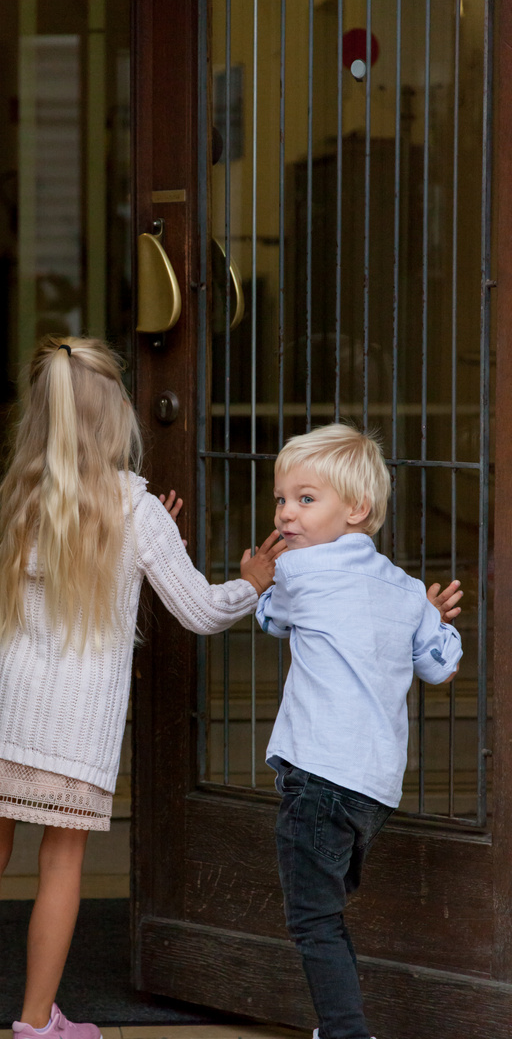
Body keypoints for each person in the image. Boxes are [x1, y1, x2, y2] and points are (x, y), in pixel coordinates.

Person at [0, 335, 286, 1039]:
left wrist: (153, 542)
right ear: (115, 416)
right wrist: (250, 582)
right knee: (61, 861)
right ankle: (37, 1023)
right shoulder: (136, 509)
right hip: (76, 725)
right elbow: (200, 610)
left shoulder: (20, 494)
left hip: (7, 709)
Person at [255, 423, 463, 1039]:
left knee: (314, 921)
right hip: (374, 791)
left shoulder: (295, 576)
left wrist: (258, 578)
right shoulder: (402, 590)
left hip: (318, 778)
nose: (286, 514)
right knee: (330, 897)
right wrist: (433, 617)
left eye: (305, 498)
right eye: (281, 499)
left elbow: (269, 618)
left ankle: (346, 1033)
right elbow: (440, 666)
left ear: (358, 509)